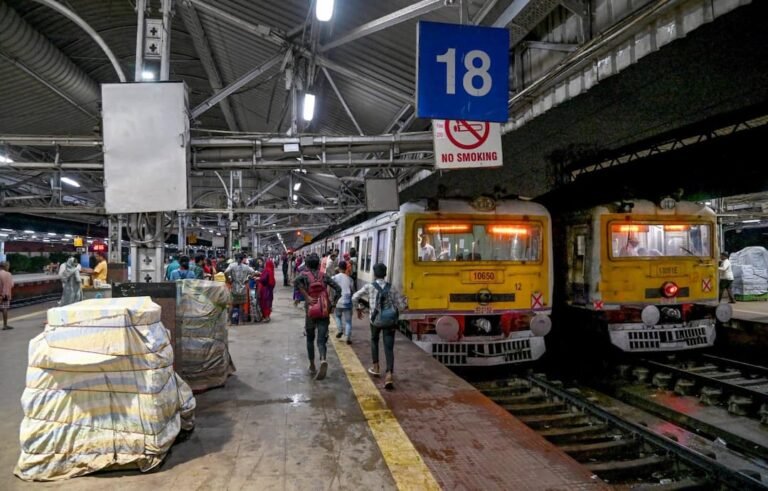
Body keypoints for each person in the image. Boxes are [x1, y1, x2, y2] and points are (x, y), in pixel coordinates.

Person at [352, 263, 406, 390]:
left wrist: (358, 309)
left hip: (375, 320)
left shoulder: (369, 286)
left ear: (375, 274)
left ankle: (376, 367)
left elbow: (355, 297)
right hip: (389, 321)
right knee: (389, 347)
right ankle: (389, 375)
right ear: (385, 274)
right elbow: (401, 305)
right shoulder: (391, 287)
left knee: (374, 340)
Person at [294, 253, 341, 381]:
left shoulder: (303, 276)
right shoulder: (324, 276)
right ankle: (323, 359)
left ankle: (312, 365)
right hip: (324, 310)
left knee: (310, 339)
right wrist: (333, 305)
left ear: (307, 265)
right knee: (321, 339)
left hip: (310, 311)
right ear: (319, 264)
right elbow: (338, 289)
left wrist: (306, 296)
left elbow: (295, 283)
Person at [225, 253, 256, 325]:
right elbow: (253, 272)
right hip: (243, 288)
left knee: (232, 305)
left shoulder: (232, 265)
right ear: (242, 259)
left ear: (235, 258)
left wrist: (228, 280)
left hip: (234, 288)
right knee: (241, 305)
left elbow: (226, 272)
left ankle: (229, 321)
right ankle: (240, 321)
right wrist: (248, 278)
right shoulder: (246, 267)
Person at [332, 260, 354, 344]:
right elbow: (352, 290)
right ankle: (347, 337)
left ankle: (340, 330)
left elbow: (329, 283)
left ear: (339, 268)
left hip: (338, 301)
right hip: (348, 301)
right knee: (348, 321)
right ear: (346, 268)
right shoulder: (350, 279)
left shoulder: (335, 277)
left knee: (338, 316)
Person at [0, 262, 13, 330]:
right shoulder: (8, 274)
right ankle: (5, 325)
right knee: (4, 309)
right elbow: (11, 285)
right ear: (5, 266)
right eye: (8, 266)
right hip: (5, 294)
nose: (8, 267)